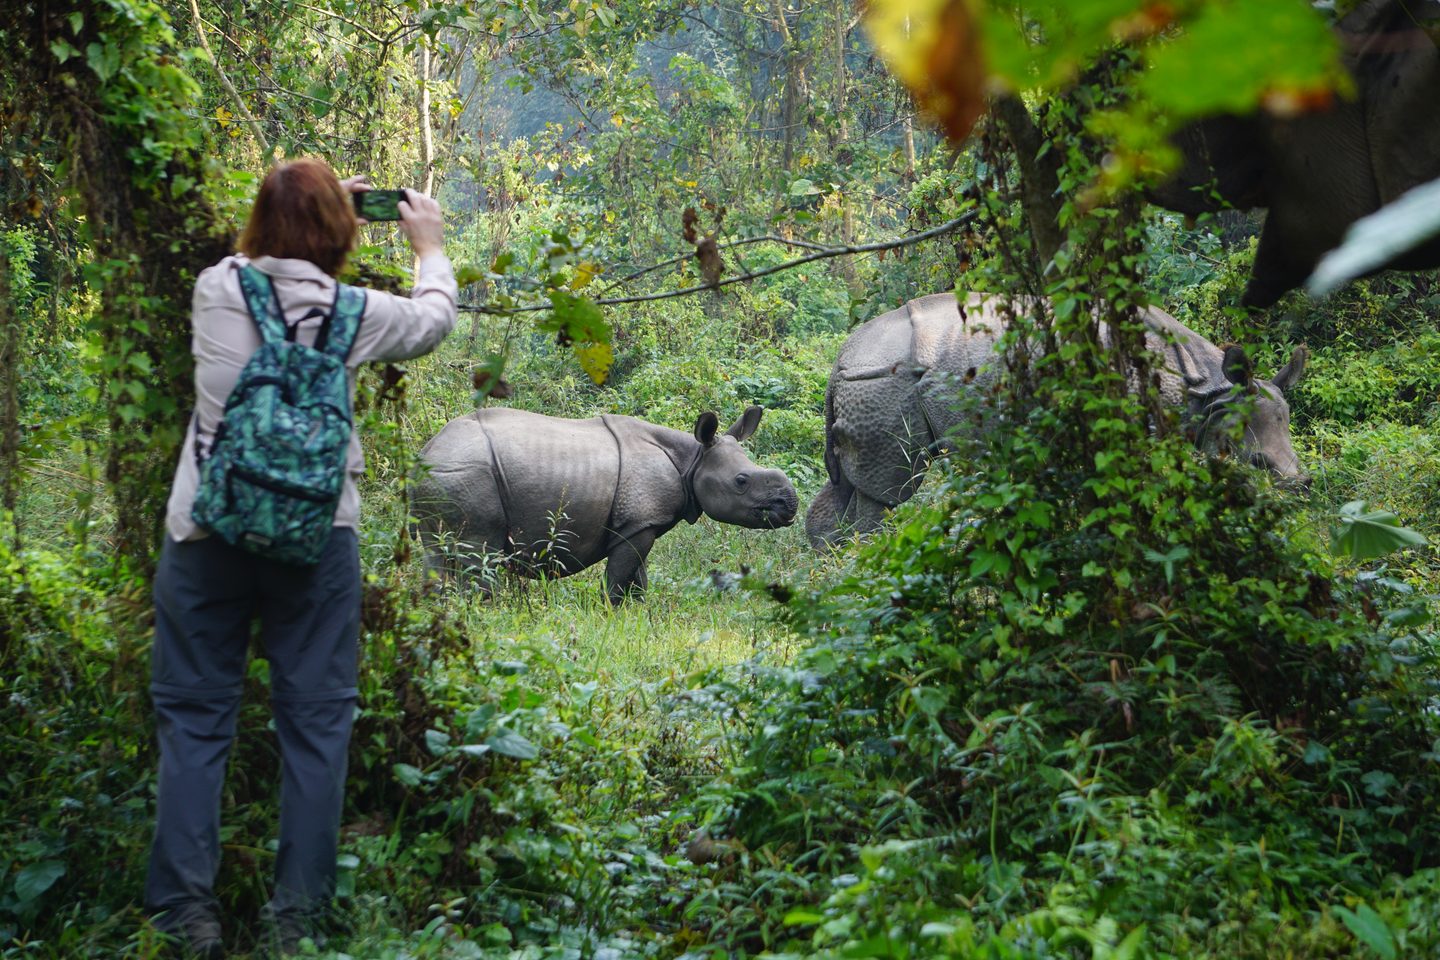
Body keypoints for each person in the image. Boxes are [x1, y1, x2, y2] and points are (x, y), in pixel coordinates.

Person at [145, 158, 457, 958]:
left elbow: (253, 259)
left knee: (194, 723)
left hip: (205, 534)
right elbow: (433, 320)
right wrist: (427, 246)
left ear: (258, 224)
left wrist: (317, 209)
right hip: (317, 541)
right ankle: (298, 925)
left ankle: (185, 920)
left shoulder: (216, 287)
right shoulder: (355, 312)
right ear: (340, 233)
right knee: (317, 729)